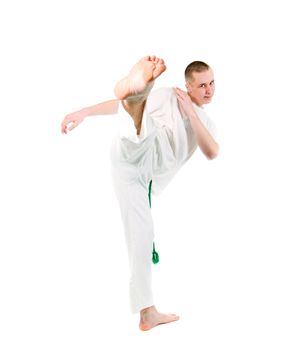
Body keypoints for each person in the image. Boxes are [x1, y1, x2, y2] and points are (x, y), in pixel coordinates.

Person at [61, 55, 219, 331]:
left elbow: (212, 152)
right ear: (188, 86)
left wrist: (191, 112)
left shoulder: (205, 121)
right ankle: (138, 93)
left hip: (137, 177)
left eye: (212, 83)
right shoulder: (171, 95)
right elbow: (115, 106)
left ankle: (147, 313)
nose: (209, 90)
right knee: (144, 128)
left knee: (142, 238)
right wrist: (82, 112)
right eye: (202, 85)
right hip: (138, 152)